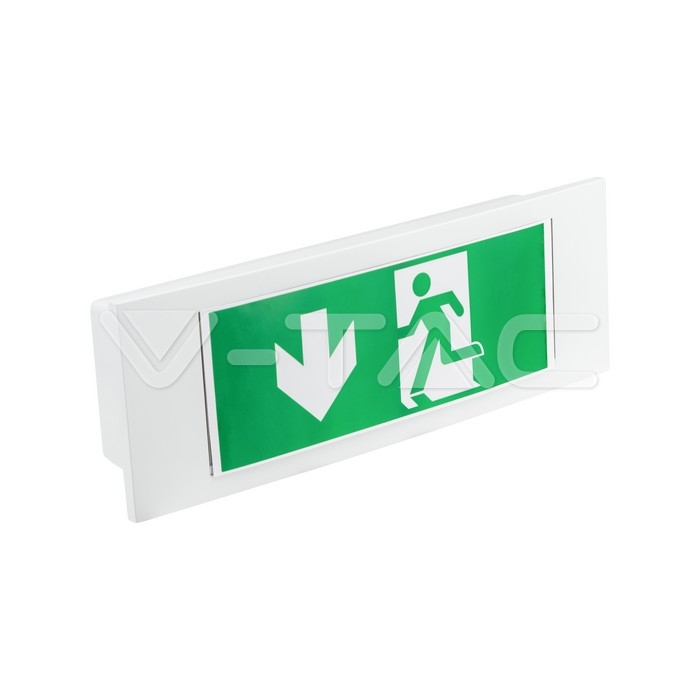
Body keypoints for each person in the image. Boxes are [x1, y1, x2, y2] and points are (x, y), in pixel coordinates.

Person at [398, 272, 482, 396]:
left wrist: (400, 332)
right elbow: (411, 328)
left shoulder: (425, 303)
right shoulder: (422, 304)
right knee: (441, 357)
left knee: (443, 357)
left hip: (441, 329)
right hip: (433, 332)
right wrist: (398, 333)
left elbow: (453, 302)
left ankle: (417, 389)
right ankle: (417, 389)